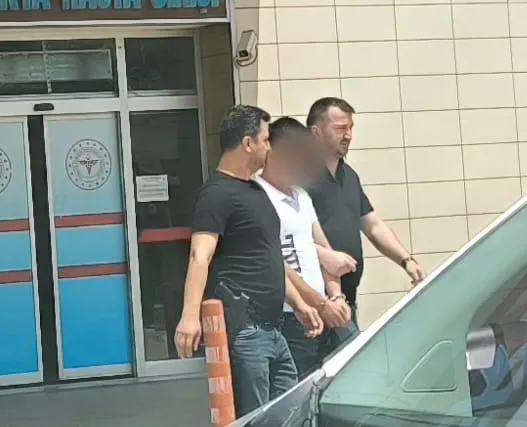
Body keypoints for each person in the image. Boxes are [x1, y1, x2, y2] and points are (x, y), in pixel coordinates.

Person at [174, 105, 322, 418]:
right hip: (246, 330)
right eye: (265, 140)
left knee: (288, 413)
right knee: (254, 417)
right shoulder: (216, 194)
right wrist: (189, 316)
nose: (269, 147)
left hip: (274, 329)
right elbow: (200, 255)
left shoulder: (255, 191)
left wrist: (299, 304)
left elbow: (268, 257)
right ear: (247, 143)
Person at [305, 97, 427, 328]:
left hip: (346, 301)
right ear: (317, 132)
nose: (349, 135)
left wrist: (406, 261)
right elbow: (285, 239)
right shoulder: (299, 178)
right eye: (340, 128)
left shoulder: (349, 176)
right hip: (314, 305)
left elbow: (373, 226)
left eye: (351, 128)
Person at [254, 117, 352, 377]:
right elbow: (276, 263)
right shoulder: (258, 197)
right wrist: (320, 304)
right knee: (300, 386)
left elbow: (327, 254)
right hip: (291, 315)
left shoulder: (301, 195)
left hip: (326, 308)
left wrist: (336, 297)